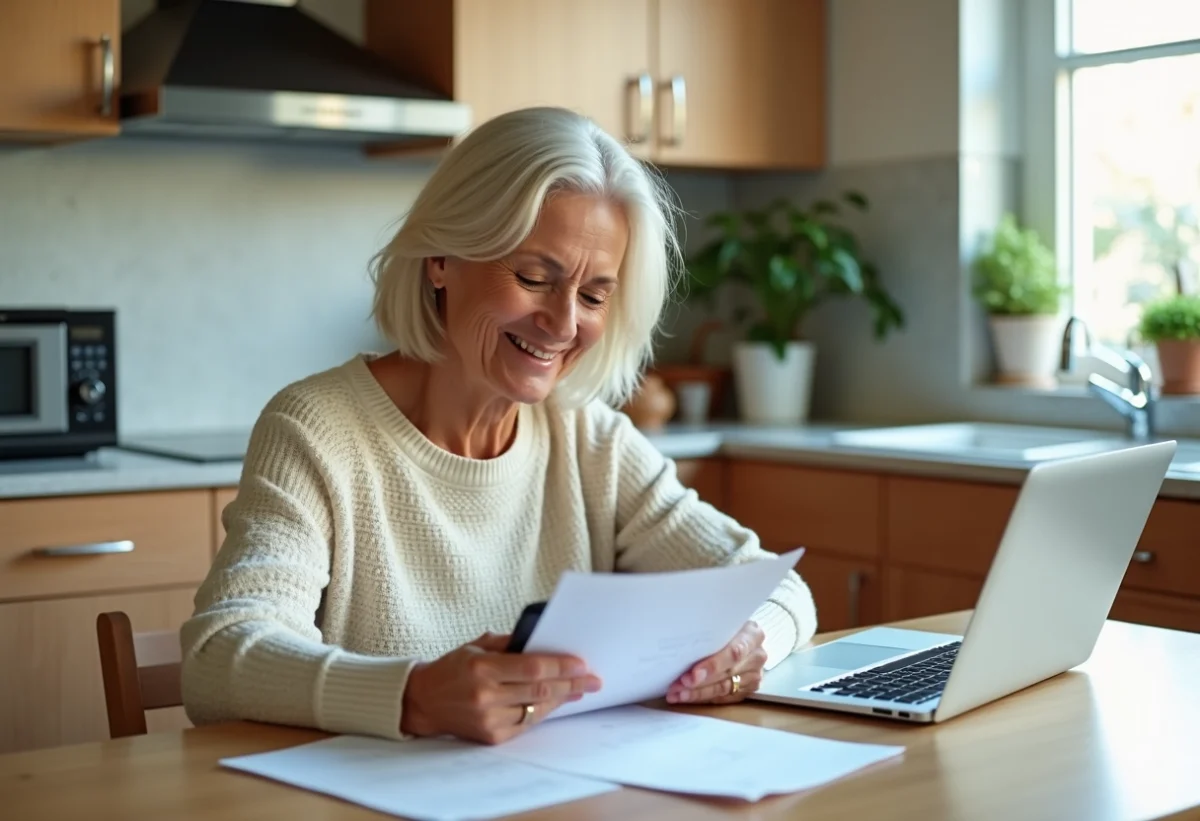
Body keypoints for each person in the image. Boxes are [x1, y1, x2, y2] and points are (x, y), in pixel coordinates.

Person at [180, 106, 818, 746]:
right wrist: (414, 697)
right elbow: (219, 657)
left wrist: (750, 644)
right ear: (440, 258)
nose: (565, 324)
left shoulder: (587, 438)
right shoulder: (319, 429)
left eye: (594, 295)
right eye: (534, 278)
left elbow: (777, 586)